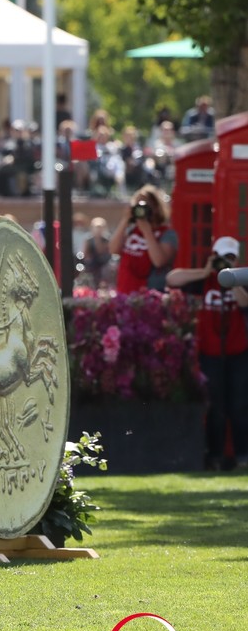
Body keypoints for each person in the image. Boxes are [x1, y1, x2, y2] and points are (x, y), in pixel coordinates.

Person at [166, 237, 248, 471]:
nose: (225, 262)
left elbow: (245, 304)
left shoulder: (242, 278)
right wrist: (205, 271)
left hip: (239, 352)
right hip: (210, 354)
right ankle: (215, 456)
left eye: (230, 258)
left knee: (240, 406)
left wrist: (231, 280)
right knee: (215, 407)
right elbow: (172, 279)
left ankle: (243, 456)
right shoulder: (204, 280)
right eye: (221, 257)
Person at [109, 184, 177, 293]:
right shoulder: (132, 230)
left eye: (145, 204)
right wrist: (125, 220)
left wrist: (147, 231)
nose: (140, 209)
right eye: (137, 204)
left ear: (156, 208)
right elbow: (113, 250)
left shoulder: (167, 233)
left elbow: (159, 261)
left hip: (149, 296)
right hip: (125, 292)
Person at [80, 216, 113, 290]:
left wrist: (98, 240)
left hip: (104, 263)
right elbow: (85, 254)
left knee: (106, 270)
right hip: (92, 264)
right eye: (96, 227)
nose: (98, 229)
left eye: (100, 227)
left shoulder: (107, 239)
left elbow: (102, 251)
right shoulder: (88, 239)